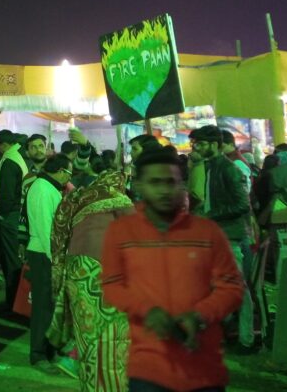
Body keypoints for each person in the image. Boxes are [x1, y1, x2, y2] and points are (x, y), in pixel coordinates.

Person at [101, 149, 244, 391]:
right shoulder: (121, 232)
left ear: (182, 184)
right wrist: (147, 311)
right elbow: (112, 285)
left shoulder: (207, 232)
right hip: (148, 367)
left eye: (171, 182)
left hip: (202, 365)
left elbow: (231, 287)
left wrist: (199, 316)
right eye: (155, 182)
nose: (164, 190)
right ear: (138, 185)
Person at [48, 167, 134, 391]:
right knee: (113, 335)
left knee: (86, 332)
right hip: (104, 271)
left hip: (76, 271)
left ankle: (89, 382)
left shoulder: (76, 197)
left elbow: (58, 236)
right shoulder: (119, 200)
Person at [191, 125, 257, 353]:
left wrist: (210, 215)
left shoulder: (228, 169)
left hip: (230, 237)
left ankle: (246, 339)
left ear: (213, 145)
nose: (195, 148)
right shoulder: (210, 167)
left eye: (199, 144)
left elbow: (242, 204)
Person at [25, 154, 72, 373]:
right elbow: (46, 229)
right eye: (68, 174)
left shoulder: (47, 187)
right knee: (43, 307)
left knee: (51, 306)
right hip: (43, 254)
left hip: (48, 254)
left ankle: (48, 350)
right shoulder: (43, 188)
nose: (67, 179)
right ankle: (38, 354)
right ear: (61, 171)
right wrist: (55, 261)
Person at [0, 130, 28, 311]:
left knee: (11, 261)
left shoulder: (9, 160)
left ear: (1, 144)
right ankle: (18, 302)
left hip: (10, 217)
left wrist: (2, 215)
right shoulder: (20, 156)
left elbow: (5, 194)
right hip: (20, 214)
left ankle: (12, 304)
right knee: (17, 260)